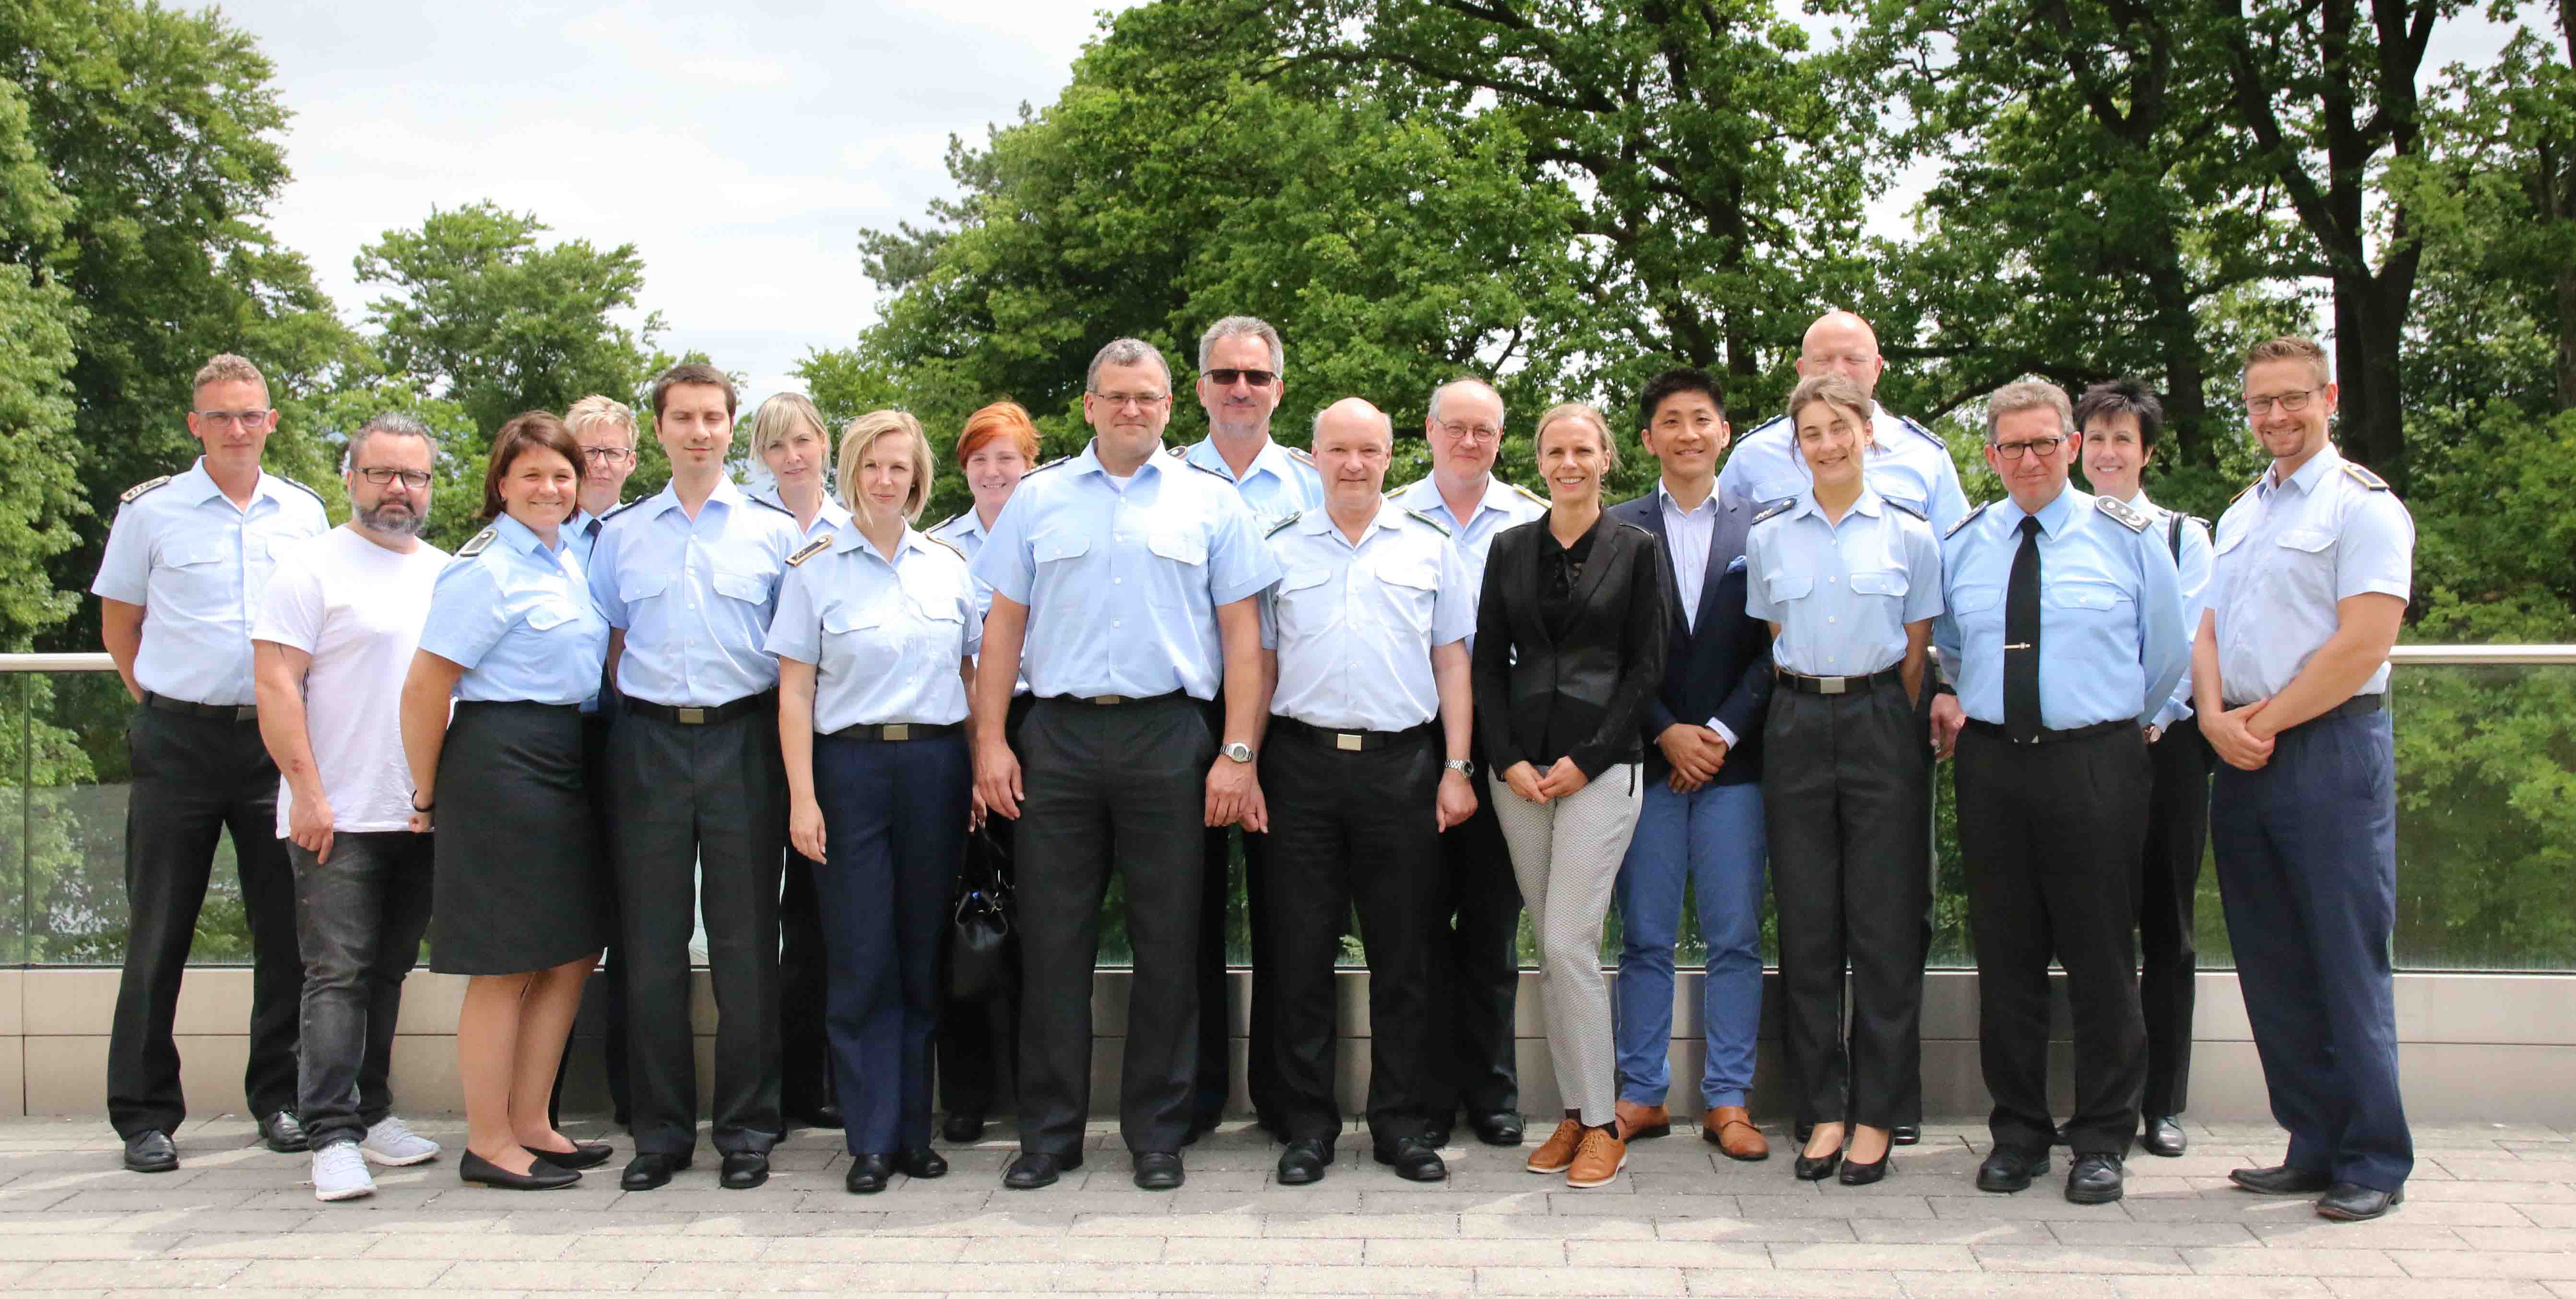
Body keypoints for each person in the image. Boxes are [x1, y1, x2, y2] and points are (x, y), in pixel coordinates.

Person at [969, 338, 1279, 1192]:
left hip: (1171, 739)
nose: (1132, 409)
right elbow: (1001, 630)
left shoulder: (1210, 504)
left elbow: (1243, 642)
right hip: (1058, 742)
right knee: (1053, 947)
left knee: (1170, 944)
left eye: (1147, 397)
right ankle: (1050, 1136)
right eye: (1116, 396)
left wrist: (1238, 753)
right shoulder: (1036, 502)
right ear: (1089, 405)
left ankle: (1157, 1133)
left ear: (1169, 406)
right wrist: (990, 742)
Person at [1930, 381, 2185, 1206]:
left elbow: (2166, 655)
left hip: (2096, 764)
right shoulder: (1965, 542)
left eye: (2044, 444)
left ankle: (2104, 1135)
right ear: (1990, 455)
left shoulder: (2130, 537)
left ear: (2072, 446)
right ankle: (2018, 1131)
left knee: (2102, 953)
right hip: (1995, 763)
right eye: (2012, 447)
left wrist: (2108, 728)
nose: (2029, 460)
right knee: (2004, 954)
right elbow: (1953, 652)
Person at [1718, 310, 1968, 1149]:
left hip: (1877, 721)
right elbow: (1769, 636)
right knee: (1808, 919)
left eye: (1839, 429)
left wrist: (1883, 716)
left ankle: (1878, 1114)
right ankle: (1821, 1110)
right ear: (1795, 447)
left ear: (1867, 433)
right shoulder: (1767, 538)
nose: (1826, 445)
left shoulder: (1912, 533)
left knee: (1886, 922)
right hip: (1793, 721)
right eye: (1810, 434)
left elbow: (1915, 649)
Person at [93, 353, 328, 1173]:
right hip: (179, 745)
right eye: (221, 416)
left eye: (251, 414)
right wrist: (163, 705)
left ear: (271, 422)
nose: (237, 429)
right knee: (159, 930)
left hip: (272, 748)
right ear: (195, 425)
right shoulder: (152, 514)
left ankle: (281, 1097)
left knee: (284, 933)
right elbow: (121, 625)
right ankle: (145, 1114)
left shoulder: (302, 513)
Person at [2198, 337, 2414, 1223]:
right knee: (2273, 961)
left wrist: (2259, 722)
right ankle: (2312, 1141)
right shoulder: (2240, 512)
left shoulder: (2363, 507)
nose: (2276, 417)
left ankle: (2374, 1156)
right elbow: (2204, 626)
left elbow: (2363, 643)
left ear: (2328, 396)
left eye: (2292, 399)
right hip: (2241, 748)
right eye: (2260, 403)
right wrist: (2215, 719)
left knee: (2343, 959)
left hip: (2325, 749)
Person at [588, 364, 804, 1192]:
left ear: (730, 425)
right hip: (646, 744)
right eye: (683, 417)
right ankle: (661, 1132)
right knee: (649, 947)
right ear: (660, 428)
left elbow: (793, 658)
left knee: (748, 943)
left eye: (713, 417)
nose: (700, 431)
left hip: (743, 739)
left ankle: (748, 1128)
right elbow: (613, 644)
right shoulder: (624, 535)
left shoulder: (774, 530)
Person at [1254, 398, 1476, 1186]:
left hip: (1404, 769)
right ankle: (1305, 1126)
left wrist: (1457, 768)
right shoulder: (1276, 550)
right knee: (1298, 952)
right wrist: (1243, 761)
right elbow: (1263, 666)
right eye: (1338, 450)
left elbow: (1453, 662)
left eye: (1369, 451)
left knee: (1406, 954)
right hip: (1300, 767)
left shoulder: (1429, 548)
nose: (1353, 464)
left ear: (1391, 456)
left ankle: (1403, 1125)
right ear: (1312, 456)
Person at [398, 411, 614, 1191]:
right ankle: (487, 1140)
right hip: (500, 764)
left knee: (569, 952)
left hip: (569, 757)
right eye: (532, 476)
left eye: (562, 475)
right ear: (501, 485)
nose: (550, 488)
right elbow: (426, 686)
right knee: (504, 963)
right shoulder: (483, 569)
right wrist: (426, 792)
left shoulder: (574, 560)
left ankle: (532, 1122)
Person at [770, 409, 980, 1194]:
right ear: (850, 474)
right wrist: (803, 798)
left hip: (933, 768)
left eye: (898, 467)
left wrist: (973, 770)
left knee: (921, 956)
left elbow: (969, 678)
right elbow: (794, 692)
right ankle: (868, 1139)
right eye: (870, 467)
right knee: (861, 960)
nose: (885, 480)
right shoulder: (815, 567)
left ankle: (913, 1135)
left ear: (918, 478)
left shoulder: (948, 566)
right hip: (848, 771)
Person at [250, 414, 450, 1201]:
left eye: (414, 476)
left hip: (419, 811)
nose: (397, 489)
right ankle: (329, 1132)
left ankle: (371, 1113)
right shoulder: (311, 568)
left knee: (391, 970)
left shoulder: (444, 570)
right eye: (381, 474)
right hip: (334, 809)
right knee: (335, 975)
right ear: (350, 477)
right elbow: (275, 683)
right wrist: (305, 791)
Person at [1474, 402, 1666, 1189]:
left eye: (1583, 450)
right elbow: (1487, 662)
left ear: (1606, 459)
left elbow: (1645, 668)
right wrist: (1506, 758)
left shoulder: (1636, 549)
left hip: (1600, 769)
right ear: (1540, 460)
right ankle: (1573, 1111)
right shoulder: (1510, 547)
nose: (1569, 463)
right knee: (1552, 954)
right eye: (1555, 451)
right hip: (1520, 775)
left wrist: (1585, 761)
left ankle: (1600, 1124)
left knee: (1566, 945)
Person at [1604, 369, 1776, 1163]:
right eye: (1668, 421)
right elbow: (1606, 658)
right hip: (1645, 762)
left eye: (1699, 420)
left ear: (1723, 432)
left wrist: (1716, 732)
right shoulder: (1615, 529)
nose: (1685, 434)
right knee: (1643, 936)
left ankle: (1729, 1101)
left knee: (1736, 937)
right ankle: (1639, 1095)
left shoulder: (1765, 529)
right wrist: (1666, 731)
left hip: (1733, 767)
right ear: (1646, 440)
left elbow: (1779, 649)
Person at [1388, 377, 1545, 1150]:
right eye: (1456, 428)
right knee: (1413, 928)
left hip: (1503, 744)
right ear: (1429, 430)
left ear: (1500, 438)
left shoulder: (1532, 520)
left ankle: (1491, 1093)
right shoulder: (1388, 517)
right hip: (1412, 741)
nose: (1469, 442)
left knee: (1490, 929)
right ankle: (1422, 1099)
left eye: (1484, 431)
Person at [1175, 315, 1323, 1137]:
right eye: (1225, 376)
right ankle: (1192, 1096)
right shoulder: (1164, 481)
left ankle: (1280, 1098)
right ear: (1199, 388)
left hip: (1291, 724)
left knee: (1286, 916)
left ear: (1278, 389)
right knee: (1184, 914)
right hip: (1192, 717)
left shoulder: (1310, 487)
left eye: (1256, 377)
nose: (1240, 390)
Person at [2074, 379, 2213, 1160]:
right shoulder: (2060, 533)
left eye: (2121, 440)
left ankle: (2161, 1102)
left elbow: (2191, 640)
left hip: (2165, 751)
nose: (2107, 453)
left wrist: (2146, 722)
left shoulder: (2181, 536)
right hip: (2084, 754)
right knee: (2095, 928)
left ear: (2147, 453)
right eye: (2094, 439)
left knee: (2167, 927)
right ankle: (2101, 1099)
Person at [927, 400, 1039, 1144]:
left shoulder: (1057, 530)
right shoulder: (938, 550)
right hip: (965, 735)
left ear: (1031, 462)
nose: (994, 473)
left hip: (1047, 729)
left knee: (1041, 921)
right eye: (979, 461)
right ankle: (965, 1094)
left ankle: (1035, 1088)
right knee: (966, 917)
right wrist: (976, 749)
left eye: (1007, 459)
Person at [750, 392, 853, 1133]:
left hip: (838, 738)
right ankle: (776, 1084)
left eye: (803, 441)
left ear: (825, 444)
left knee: (823, 915)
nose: (792, 456)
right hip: (756, 727)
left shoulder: (856, 528)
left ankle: (829, 1078)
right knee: (759, 915)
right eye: (776, 445)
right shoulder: (747, 529)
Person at [555, 393, 638, 1128]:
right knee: (550, 918)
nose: (600, 464)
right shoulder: (538, 535)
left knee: (633, 913)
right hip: (553, 738)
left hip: (629, 734)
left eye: (613, 451)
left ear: (632, 461)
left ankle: (629, 1097)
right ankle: (534, 1104)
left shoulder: (642, 534)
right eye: (588, 451)